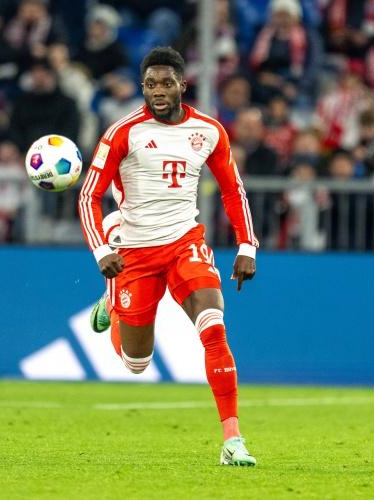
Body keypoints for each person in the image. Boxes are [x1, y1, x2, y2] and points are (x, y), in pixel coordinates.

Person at [78, 47, 258, 466]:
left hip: (184, 244)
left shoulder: (209, 131)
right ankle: (113, 302)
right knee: (136, 363)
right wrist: (102, 250)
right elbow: (89, 195)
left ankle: (233, 440)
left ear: (182, 84)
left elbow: (233, 190)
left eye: (166, 83)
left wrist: (247, 244)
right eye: (150, 84)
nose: (158, 91)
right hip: (134, 251)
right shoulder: (122, 133)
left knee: (214, 328)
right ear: (143, 88)